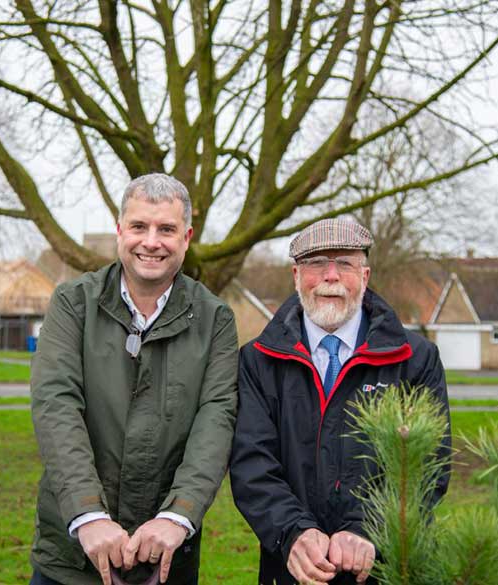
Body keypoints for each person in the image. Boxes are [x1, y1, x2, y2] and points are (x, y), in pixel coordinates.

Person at [29, 174, 239, 585]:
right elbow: (56, 405)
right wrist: (88, 514)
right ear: (120, 229)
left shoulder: (215, 319)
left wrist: (179, 515)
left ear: (187, 237)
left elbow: (217, 420)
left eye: (166, 229)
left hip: (164, 559)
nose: (151, 241)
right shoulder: (74, 304)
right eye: (139, 226)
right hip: (71, 558)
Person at [229, 218, 451, 585]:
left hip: (384, 567)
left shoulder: (415, 359)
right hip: (292, 567)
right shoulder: (258, 360)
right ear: (296, 275)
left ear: (364, 276)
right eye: (317, 264)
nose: (331, 276)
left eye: (344, 263)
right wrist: (294, 533)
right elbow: (251, 463)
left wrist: (368, 530)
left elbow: (427, 467)